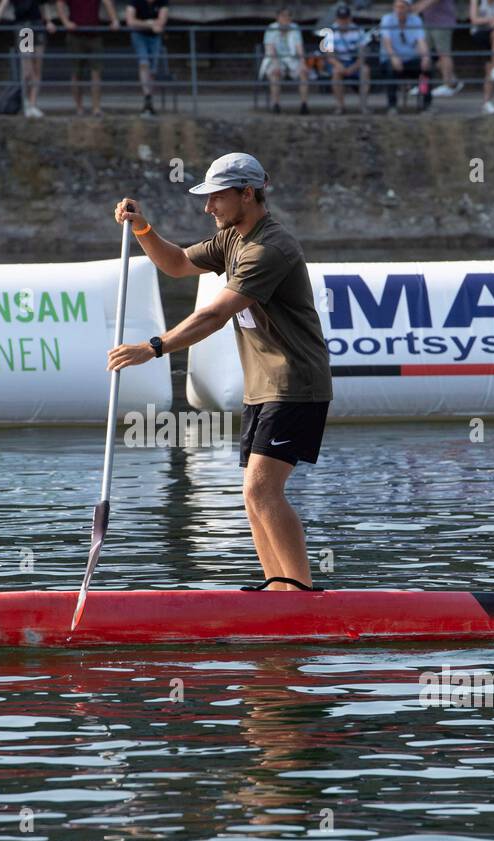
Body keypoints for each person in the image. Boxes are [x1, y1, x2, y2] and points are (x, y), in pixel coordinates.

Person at [107, 154, 333, 591]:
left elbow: (213, 316)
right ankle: (279, 589)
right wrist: (142, 228)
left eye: (217, 198)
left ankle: (299, 593)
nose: (209, 208)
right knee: (254, 496)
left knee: (261, 490)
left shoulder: (270, 248)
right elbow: (174, 264)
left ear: (247, 194)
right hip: (262, 387)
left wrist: (154, 347)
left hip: (295, 384)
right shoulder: (230, 237)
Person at [0, 0, 58, 118]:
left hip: (38, 25)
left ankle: (32, 104)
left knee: (37, 67)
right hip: (24, 27)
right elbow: (3, 3)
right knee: (27, 70)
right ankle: (24, 102)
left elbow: (44, 5)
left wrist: (49, 21)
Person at [57, 1, 120, 116]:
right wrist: (65, 22)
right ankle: (79, 108)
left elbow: (107, 2)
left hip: (94, 34)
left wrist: (114, 19)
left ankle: (96, 108)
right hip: (75, 35)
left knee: (96, 72)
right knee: (77, 73)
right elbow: (59, 3)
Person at [378, 0, 433, 112]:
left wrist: (425, 57)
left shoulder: (416, 20)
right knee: (391, 69)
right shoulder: (387, 19)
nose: (399, 10)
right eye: (397, 7)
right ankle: (392, 105)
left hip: (410, 58)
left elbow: (421, 41)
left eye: (402, 7)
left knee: (426, 70)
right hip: (391, 58)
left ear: (408, 8)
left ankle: (426, 103)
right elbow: (386, 42)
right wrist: (394, 57)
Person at [261, 7, 311, 114]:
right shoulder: (271, 28)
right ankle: (276, 105)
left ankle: (304, 105)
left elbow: (299, 47)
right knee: (274, 74)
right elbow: (270, 49)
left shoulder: (295, 28)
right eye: (283, 16)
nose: (286, 18)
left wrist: (303, 63)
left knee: (303, 73)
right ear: (277, 17)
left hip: (292, 59)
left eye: (288, 16)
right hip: (275, 59)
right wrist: (276, 65)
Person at [411, 0, 464, 96]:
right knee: (423, 53)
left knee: (443, 54)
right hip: (428, 22)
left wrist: (416, 8)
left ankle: (448, 86)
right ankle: (424, 86)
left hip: (442, 23)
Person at [327, 4, 372, 113]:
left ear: (350, 18)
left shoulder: (358, 31)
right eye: (341, 19)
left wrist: (354, 66)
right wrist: (339, 65)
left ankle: (363, 106)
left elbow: (363, 54)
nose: (343, 22)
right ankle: (340, 106)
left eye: (345, 18)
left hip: (354, 62)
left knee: (365, 71)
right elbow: (329, 56)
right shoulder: (330, 32)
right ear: (337, 19)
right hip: (338, 62)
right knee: (336, 72)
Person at [126, 1, 168, 116]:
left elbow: (162, 20)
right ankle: (147, 98)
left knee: (152, 69)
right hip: (139, 35)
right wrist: (149, 24)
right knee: (144, 63)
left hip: (155, 38)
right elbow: (130, 21)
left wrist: (155, 24)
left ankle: (149, 101)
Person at [469, 0, 494, 113]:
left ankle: (487, 102)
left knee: (489, 68)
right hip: (480, 33)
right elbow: (474, 19)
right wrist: (491, 20)